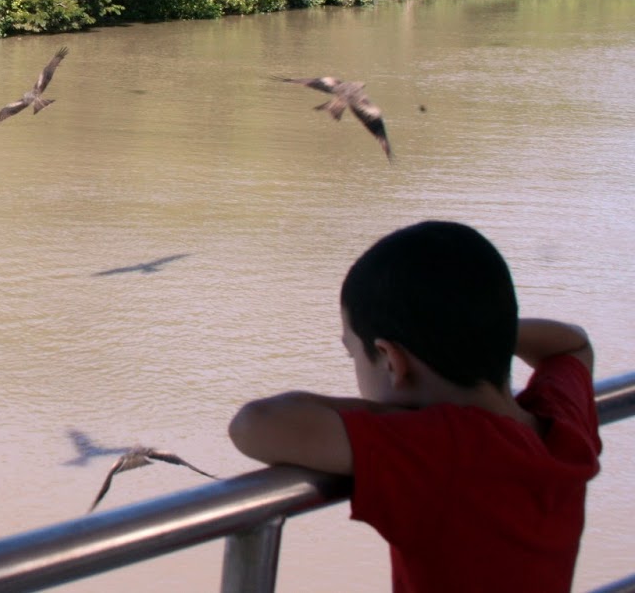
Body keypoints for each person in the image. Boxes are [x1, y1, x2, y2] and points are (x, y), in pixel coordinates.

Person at [227, 220, 600, 593]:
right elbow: (573, 346)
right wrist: (483, 331)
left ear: (391, 360)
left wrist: (389, 419)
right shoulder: (563, 429)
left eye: (352, 352)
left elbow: (253, 425)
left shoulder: (440, 450)